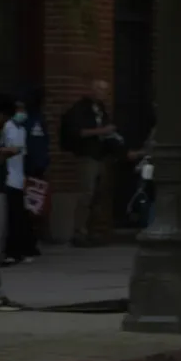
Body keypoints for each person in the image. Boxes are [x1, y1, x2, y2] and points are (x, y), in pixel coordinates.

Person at [59, 80, 121, 246]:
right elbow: (79, 132)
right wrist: (103, 131)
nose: (103, 93)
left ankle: (96, 231)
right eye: (100, 89)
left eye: (106, 90)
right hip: (87, 156)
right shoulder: (80, 109)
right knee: (86, 194)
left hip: (101, 155)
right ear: (92, 90)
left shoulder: (100, 109)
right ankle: (79, 232)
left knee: (99, 195)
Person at [2, 96, 39, 264]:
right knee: (11, 218)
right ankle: (12, 252)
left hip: (19, 178)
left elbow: (22, 156)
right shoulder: (6, 127)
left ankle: (22, 249)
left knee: (20, 217)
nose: (21, 113)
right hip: (8, 178)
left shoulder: (22, 130)